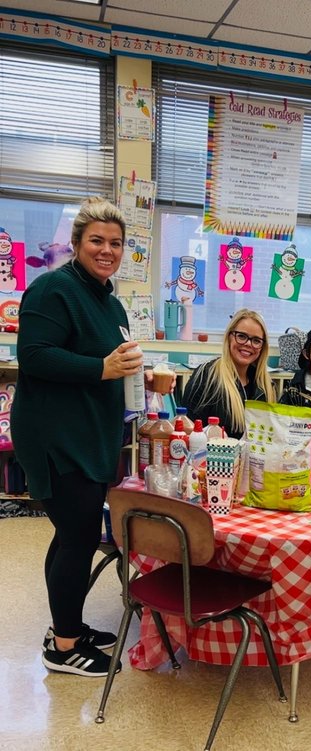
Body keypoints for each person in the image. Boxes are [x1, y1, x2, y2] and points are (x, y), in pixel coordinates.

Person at [11, 196, 145, 678]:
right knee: (79, 538)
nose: (107, 250)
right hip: (56, 437)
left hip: (89, 435)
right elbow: (35, 355)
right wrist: (102, 367)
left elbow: (113, 363)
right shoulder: (53, 289)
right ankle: (64, 648)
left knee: (70, 536)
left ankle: (65, 624)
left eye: (116, 243)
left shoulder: (108, 300)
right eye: (97, 241)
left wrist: (136, 380)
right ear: (77, 243)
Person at [183, 308, 275, 438]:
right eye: (241, 336)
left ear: (262, 347)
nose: (248, 344)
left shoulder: (265, 386)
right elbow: (187, 431)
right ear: (229, 337)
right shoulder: (206, 376)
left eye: (256, 340)